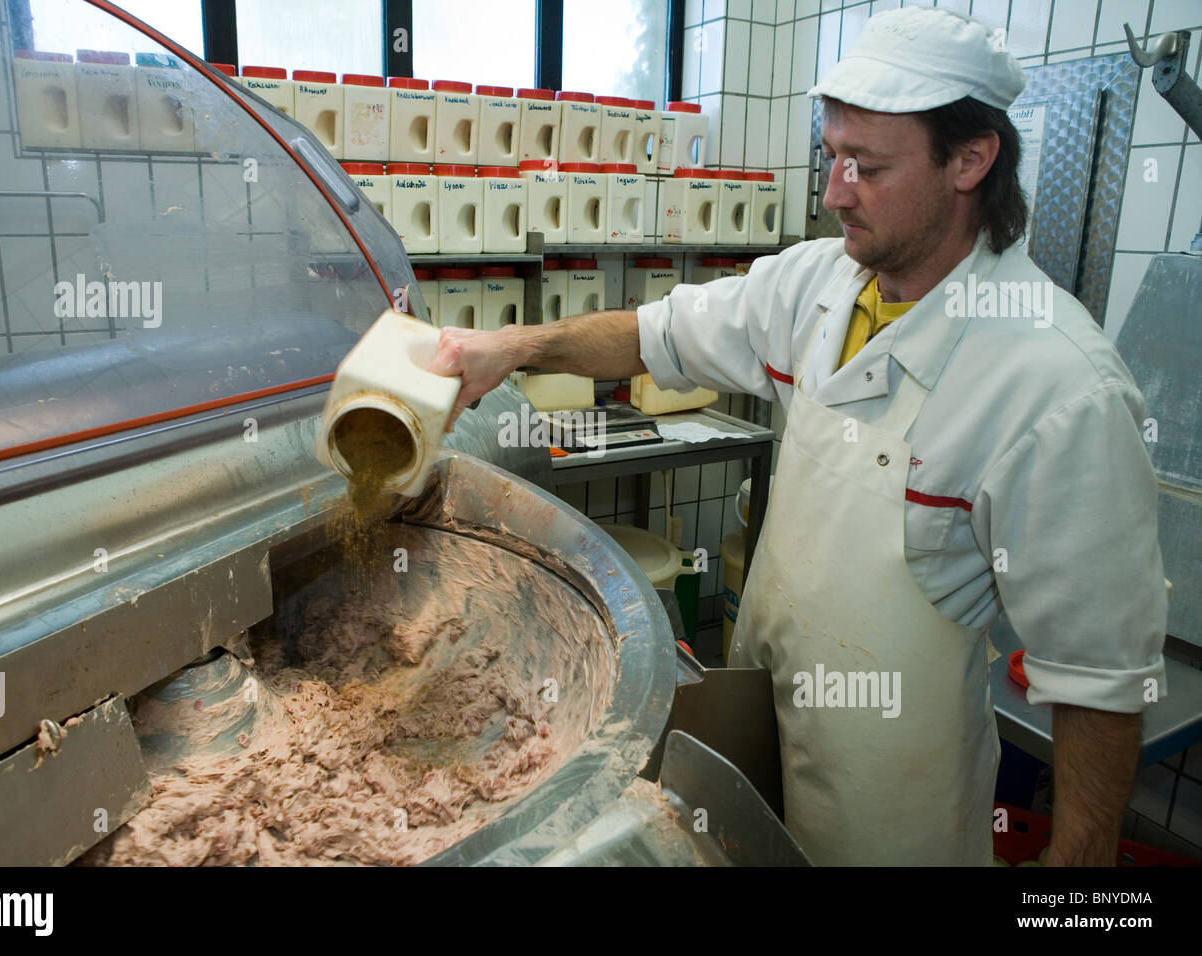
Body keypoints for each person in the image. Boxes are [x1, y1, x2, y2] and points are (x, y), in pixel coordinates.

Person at [427, 6, 1167, 866]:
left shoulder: (1055, 385)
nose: (833, 192)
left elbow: (1100, 683)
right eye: (832, 157)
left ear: (971, 161)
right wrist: (509, 349)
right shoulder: (818, 284)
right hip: (766, 749)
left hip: (896, 814)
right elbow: (650, 334)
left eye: (869, 167)